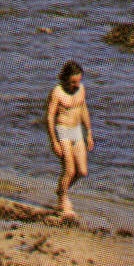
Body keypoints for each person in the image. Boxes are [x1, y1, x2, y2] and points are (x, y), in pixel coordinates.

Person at [45, 60, 93, 218]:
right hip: (63, 131)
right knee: (69, 170)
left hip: (77, 132)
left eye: (78, 81)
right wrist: (54, 141)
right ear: (65, 79)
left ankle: (61, 190)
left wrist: (89, 133)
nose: (75, 85)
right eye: (72, 82)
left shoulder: (81, 90)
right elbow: (50, 117)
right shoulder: (57, 92)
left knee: (82, 171)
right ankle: (62, 199)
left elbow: (83, 109)